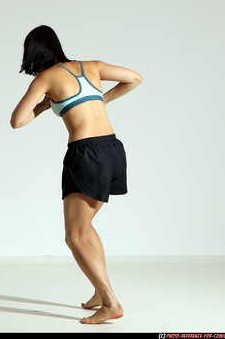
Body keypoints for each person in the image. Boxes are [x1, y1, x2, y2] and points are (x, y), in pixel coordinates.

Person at [10, 25, 142, 324]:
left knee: (75, 236)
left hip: (86, 154)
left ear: (32, 53)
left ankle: (110, 303)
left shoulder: (46, 78)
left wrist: (45, 106)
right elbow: (135, 78)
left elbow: (17, 121)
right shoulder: (91, 66)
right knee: (86, 227)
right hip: (112, 149)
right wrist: (101, 100)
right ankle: (100, 291)